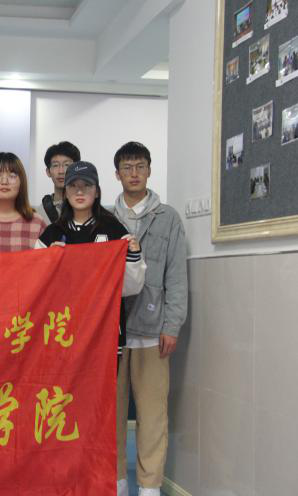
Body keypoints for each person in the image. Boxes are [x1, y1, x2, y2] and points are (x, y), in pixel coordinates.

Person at [112, 142, 188, 496]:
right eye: (127, 167)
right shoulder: (105, 217)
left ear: (149, 170)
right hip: (110, 334)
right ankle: (116, 481)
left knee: (152, 414)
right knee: (110, 414)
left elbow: (177, 276)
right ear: (117, 174)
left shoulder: (167, 218)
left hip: (152, 331)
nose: (134, 173)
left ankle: (149, 486)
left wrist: (172, 325)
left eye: (140, 166)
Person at [35, 161, 146, 366]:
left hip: (103, 330)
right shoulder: (51, 234)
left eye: (86, 185)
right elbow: (36, 287)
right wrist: (47, 262)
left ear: (97, 192)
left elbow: (131, 288)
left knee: (100, 385)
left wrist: (134, 255)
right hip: (61, 330)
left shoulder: (115, 230)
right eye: (73, 186)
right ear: (65, 192)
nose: (79, 192)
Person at [36, 141, 81, 224]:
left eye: (67, 165)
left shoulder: (86, 207)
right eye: (55, 165)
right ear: (48, 172)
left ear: (77, 170)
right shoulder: (39, 213)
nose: (61, 171)